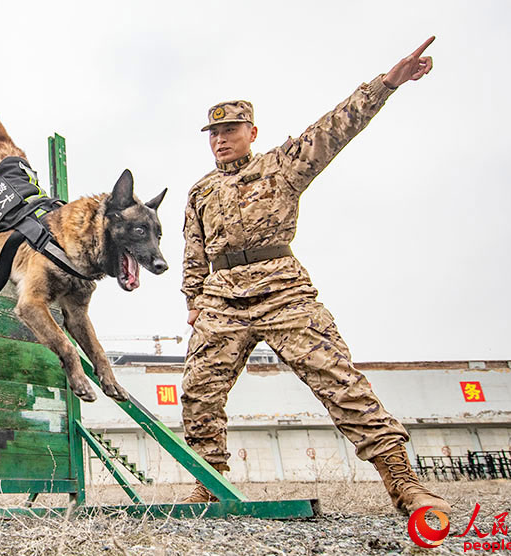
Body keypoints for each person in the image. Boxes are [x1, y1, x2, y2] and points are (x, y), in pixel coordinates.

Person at [181, 37, 450, 514]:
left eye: (231, 129)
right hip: (221, 299)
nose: (220, 138)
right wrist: (193, 300)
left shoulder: (281, 166)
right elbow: (193, 252)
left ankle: (404, 482)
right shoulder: (200, 190)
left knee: (340, 381)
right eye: (213, 132)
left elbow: (336, 127)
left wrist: (387, 83)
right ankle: (206, 483)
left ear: (253, 131)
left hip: (282, 288)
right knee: (199, 393)